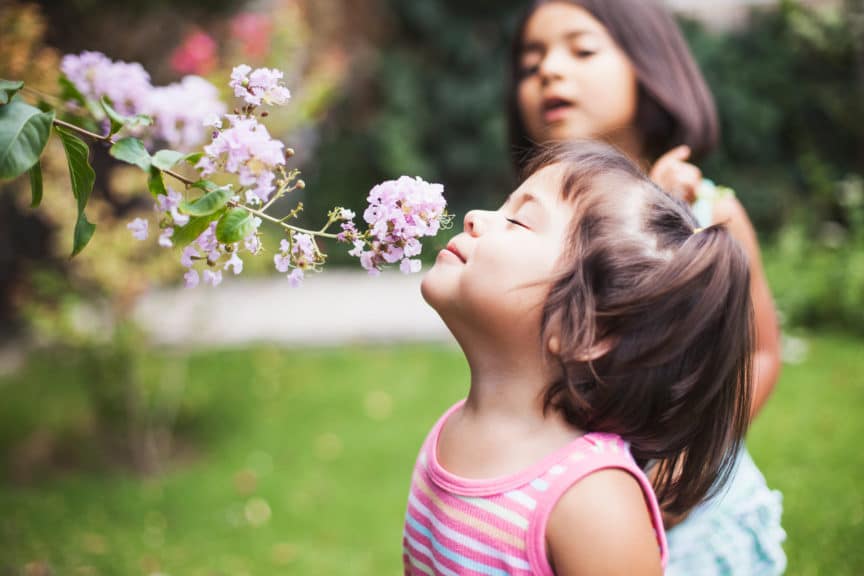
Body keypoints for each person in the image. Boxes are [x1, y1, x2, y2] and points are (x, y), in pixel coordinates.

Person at [507, 1, 786, 572]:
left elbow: (759, 352)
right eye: (531, 61)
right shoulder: (539, 227)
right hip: (564, 503)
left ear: (650, 68)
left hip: (686, 512)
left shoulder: (706, 215)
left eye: (581, 50)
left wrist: (687, 463)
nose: (549, 72)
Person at [403, 141, 754, 575]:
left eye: (517, 220)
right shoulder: (450, 432)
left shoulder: (591, 501)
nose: (476, 217)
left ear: (587, 330)